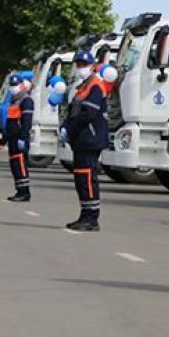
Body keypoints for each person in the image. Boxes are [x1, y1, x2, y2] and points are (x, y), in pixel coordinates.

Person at [59, 50, 109, 232]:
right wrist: (64, 126)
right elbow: (72, 110)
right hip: (81, 139)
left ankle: (92, 218)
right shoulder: (82, 87)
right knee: (80, 178)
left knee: (87, 178)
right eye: (78, 65)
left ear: (92, 65)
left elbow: (88, 113)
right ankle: (85, 213)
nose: (81, 68)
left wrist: (69, 128)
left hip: (91, 138)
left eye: (84, 65)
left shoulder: (96, 85)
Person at [4, 75, 34, 202]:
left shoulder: (26, 100)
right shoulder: (13, 100)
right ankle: (19, 190)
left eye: (15, 85)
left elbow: (26, 122)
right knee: (14, 165)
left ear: (22, 85)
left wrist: (23, 137)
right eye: (11, 85)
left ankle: (24, 192)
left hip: (20, 137)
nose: (13, 88)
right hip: (12, 138)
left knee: (20, 165)